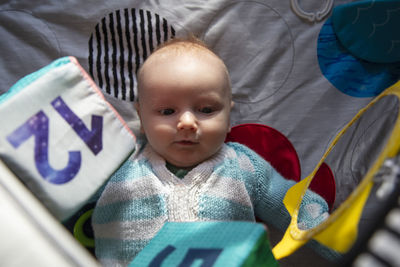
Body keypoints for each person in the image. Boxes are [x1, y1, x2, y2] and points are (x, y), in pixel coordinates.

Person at [92, 36, 329, 266]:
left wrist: (334, 237)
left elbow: (295, 205)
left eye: (206, 109)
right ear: (141, 118)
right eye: (167, 112)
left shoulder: (243, 165)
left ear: (228, 117)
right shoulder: (119, 164)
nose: (187, 122)